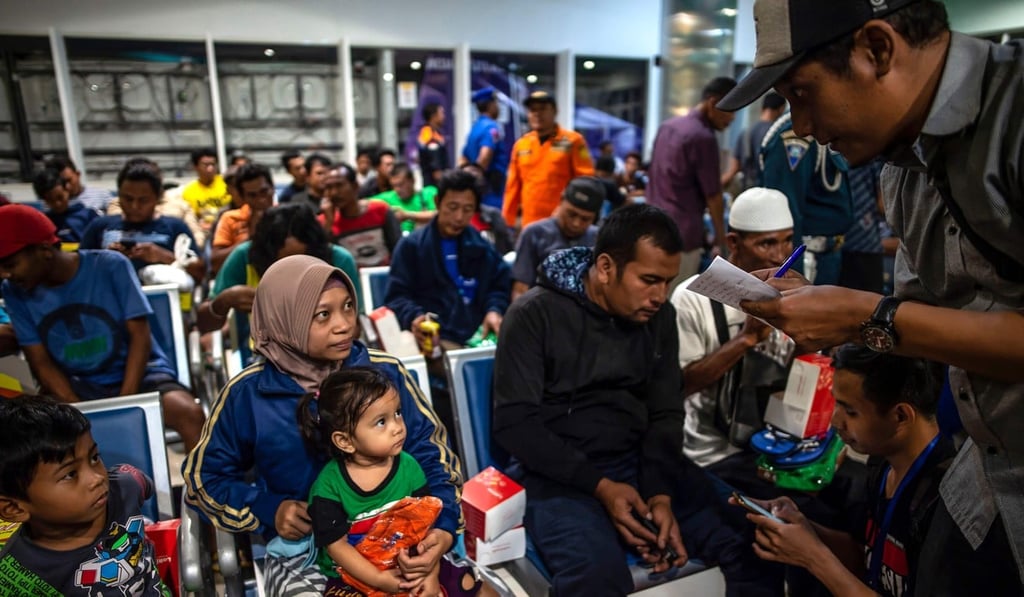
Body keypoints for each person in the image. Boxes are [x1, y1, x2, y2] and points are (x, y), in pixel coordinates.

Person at [717, 0, 1024, 591]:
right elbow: (924, 322)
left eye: (802, 94)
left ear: (877, 50)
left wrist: (865, 315)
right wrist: (832, 312)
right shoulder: (903, 169)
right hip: (984, 478)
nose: (802, 126)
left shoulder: (1014, 123)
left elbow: (896, 317)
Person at [493, 204, 780, 596]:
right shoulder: (533, 315)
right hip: (557, 474)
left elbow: (666, 412)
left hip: (641, 461)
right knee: (595, 578)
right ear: (606, 267)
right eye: (649, 280)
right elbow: (515, 424)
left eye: (667, 282)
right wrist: (601, 487)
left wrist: (660, 494)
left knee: (757, 540)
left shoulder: (659, 318)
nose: (660, 296)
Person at [182, 255, 462, 596]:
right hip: (306, 553)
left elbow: (433, 457)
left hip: (404, 540)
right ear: (285, 319)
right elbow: (203, 479)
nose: (344, 324)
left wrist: (443, 529)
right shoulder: (249, 394)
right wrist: (269, 508)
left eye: (348, 307)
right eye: (323, 315)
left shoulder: (383, 374)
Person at [740, 345, 954, 597]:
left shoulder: (946, 499)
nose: (835, 421)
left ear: (900, 416)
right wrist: (806, 530)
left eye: (850, 412)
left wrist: (813, 558)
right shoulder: (882, 466)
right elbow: (868, 559)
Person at [0, 204, 206, 450]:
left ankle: (201, 477)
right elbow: (40, 361)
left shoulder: (110, 266)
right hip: (73, 383)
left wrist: (126, 403)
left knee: (190, 414)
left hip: (140, 375)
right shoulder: (14, 292)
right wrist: (78, 410)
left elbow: (140, 337)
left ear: (43, 249)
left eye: (10, 264)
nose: (5, 274)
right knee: (34, 435)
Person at [671, 187, 795, 488]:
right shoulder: (691, 298)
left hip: (776, 446)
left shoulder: (793, 294)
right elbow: (679, 385)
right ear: (733, 243)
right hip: (710, 453)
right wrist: (745, 340)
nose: (781, 255)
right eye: (767, 243)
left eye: (788, 241)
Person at [0, 396, 170, 595]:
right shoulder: (16, 577)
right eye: (70, 474)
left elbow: (141, 482)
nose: (97, 478)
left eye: (94, 458)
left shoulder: (125, 485)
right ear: (14, 508)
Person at [301, 367, 442, 596]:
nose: (397, 427)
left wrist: (430, 572)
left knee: (473, 586)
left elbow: (425, 525)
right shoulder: (328, 486)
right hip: (350, 574)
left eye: (397, 413)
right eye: (381, 422)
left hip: (405, 564)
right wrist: (379, 579)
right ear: (345, 441)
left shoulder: (409, 467)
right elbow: (337, 546)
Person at [195, 202, 361, 367]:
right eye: (282, 264)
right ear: (265, 256)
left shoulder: (338, 260)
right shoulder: (244, 257)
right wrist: (224, 301)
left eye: (302, 262)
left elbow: (355, 327)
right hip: (260, 360)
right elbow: (205, 325)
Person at [384, 169, 511, 352]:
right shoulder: (411, 246)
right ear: (437, 202)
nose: (459, 217)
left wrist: (494, 310)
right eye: (452, 207)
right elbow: (397, 296)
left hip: (477, 334)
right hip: (432, 336)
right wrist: (415, 317)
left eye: (467, 210)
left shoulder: (481, 247)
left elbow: (498, 285)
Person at [647, 77, 737, 289]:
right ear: (713, 102)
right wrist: (721, 241)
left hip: (651, 228)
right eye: (731, 110)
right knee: (675, 298)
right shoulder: (703, 137)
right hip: (683, 235)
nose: (732, 118)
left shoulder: (667, 127)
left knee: (652, 294)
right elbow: (713, 195)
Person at [758, 111, 852, 285]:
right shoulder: (798, 138)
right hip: (809, 258)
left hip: (827, 256)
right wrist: (794, 273)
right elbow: (787, 212)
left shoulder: (824, 134)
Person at [80, 160, 205, 286]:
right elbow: (78, 271)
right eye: (128, 199)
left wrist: (164, 257)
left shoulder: (175, 227)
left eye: (143, 200)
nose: (134, 206)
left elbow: (200, 274)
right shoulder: (100, 226)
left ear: (158, 198)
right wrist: (105, 258)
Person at [503, 90, 594, 229]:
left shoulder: (574, 141)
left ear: (555, 111)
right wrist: (507, 219)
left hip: (562, 224)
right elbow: (513, 185)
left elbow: (586, 180)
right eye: (533, 110)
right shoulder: (521, 145)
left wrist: (574, 213)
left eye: (543, 109)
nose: (537, 114)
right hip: (529, 223)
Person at [510, 176, 603, 301]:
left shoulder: (598, 239)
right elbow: (520, 289)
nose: (576, 223)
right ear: (561, 201)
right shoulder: (534, 234)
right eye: (571, 214)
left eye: (585, 219)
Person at [318, 163, 401, 267]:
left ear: (355, 186)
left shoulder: (380, 210)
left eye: (339, 185)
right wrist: (328, 224)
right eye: (329, 187)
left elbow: (398, 249)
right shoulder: (324, 222)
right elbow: (322, 259)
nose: (334, 193)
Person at [211, 163, 276, 273]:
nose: (261, 200)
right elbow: (215, 263)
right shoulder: (230, 218)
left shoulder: (288, 216)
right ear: (242, 197)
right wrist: (251, 237)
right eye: (252, 195)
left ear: (273, 188)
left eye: (264, 192)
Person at [721, 92, 787, 191]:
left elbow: (734, 169)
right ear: (781, 109)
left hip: (748, 191)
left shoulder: (745, 133)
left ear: (763, 108)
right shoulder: (779, 134)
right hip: (771, 192)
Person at [839, 158, 887, 293]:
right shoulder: (876, 154)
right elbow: (884, 205)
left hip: (834, 244)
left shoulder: (833, 153)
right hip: (865, 244)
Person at [461, 87, 510, 210]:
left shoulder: (475, 128)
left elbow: (463, 158)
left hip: (480, 188)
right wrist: (478, 176)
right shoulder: (491, 127)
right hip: (491, 186)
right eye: (496, 103)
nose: (498, 107)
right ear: (490, 105)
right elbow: (485, 155)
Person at [33, 167, 100, 245]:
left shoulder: (88, 215)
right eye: (50, 200)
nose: (57, 204)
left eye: (60, 197)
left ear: (67, 189)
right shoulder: (44, 222)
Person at [372, 162, 437, 234]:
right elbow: (365, 203)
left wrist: (407, 215)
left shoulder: (428, 193)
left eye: (401, 184)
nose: (397, 189)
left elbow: (437, 215)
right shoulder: (388, 197)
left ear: (413, 180)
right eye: (394, 186)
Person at [180, 147, 230, 234]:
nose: (210, 168)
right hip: (203, 231)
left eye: (213, 164)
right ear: (195, 167)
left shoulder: (227, 184)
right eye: (206, 165)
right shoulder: (189, 191)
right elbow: (191, 218)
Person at [44, 156, 112, 213]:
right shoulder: (53, 205)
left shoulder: (101, 195)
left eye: (69, 180)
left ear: (78, 174)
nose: (67, 186)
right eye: (62, 183)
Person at [417, 102, 449, 185]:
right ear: (433, 116)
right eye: (441, 113)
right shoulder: (428, 134)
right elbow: (434, 160)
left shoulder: (436, 132)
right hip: (433, 184)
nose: (444, 117)